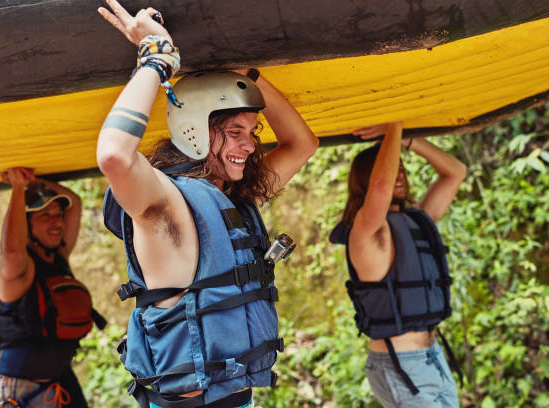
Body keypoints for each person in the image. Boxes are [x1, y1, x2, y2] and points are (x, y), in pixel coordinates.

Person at [96, 1, 318, 407]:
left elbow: (304, 144)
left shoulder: (231, 200)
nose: (250, 146)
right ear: (194, 128)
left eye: (251, 131)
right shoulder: (166, 202)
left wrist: (250, 79)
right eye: (235, 131)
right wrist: (156, 56)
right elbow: (113, 155)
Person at [330, 122, 467, 407]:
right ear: (365, 180)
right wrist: (394, 127)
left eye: (402, 168)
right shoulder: (365, 231)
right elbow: (381, 186)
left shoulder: (417, 220)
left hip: (433, 357)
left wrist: (407, 139)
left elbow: (456, 172)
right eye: (394, 169)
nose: (399, 174)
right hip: (400, 364)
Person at [0, 167, 103, 408]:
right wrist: (18, 188)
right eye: (44, 215)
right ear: (26, 225)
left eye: (58, 214)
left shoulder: (58, 258)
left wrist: (33, 181)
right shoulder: (16, 272)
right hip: (19, 395)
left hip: (60, 382)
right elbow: (11, 250)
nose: (57, 222)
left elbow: (75, 203)